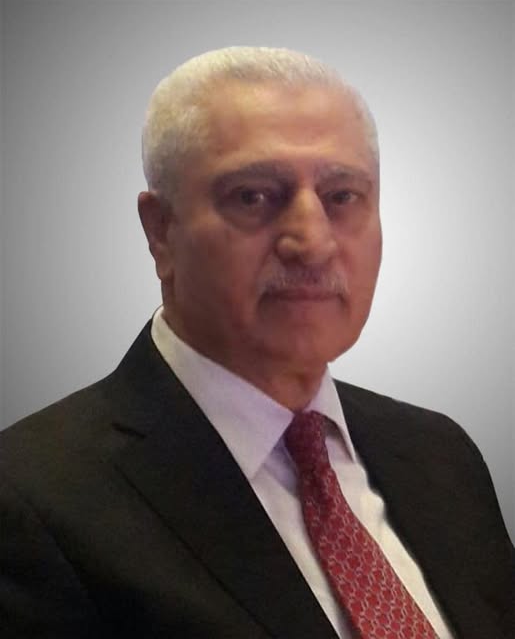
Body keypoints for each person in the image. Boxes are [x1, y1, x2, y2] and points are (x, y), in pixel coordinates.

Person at [0, 46, 513, 639]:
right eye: (253, 196)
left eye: (342, 197)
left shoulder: (441, 455)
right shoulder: (31, 499)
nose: (312, 242)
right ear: (160, 231)